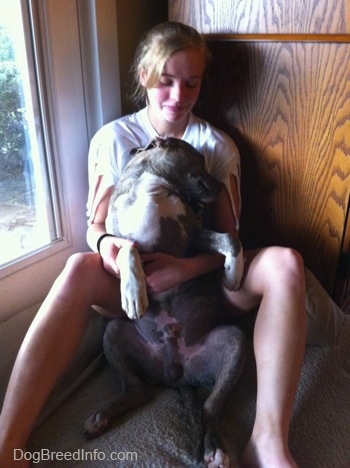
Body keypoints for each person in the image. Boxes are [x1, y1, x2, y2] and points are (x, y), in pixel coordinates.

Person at [0, 20, 342, 468]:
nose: (178, 95)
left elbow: (228, 240)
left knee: (286, 264)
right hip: (132, 285)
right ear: (143, 75)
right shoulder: (114, 139)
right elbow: (95, 227)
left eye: (191, 83)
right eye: (165, 82)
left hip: (201, 285)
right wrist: (117, 255)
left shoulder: (214, 146)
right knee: (77, 268)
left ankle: (268, 441)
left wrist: (183, 269)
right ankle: (10, 444)